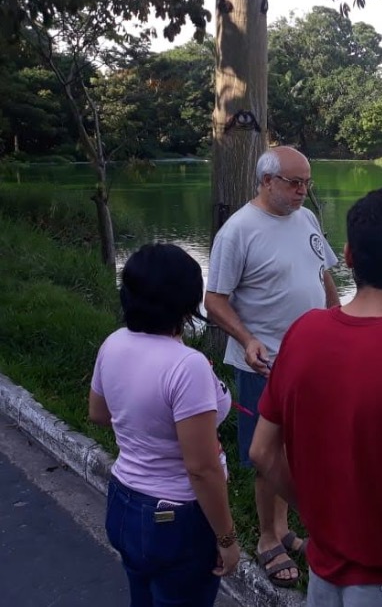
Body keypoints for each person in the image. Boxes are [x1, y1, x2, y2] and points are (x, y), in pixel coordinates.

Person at [249, 187, 382, 607]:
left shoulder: (302, 333)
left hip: (324, 574)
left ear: (347, 255)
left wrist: (319, 516)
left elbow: (262, 451)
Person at [204, 145, 340, 587]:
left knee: (298, 449)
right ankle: (266, 538)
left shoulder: (306, 219)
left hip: (312, 357)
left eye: (307, 183)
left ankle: (284, 528)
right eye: (294, 183)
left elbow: (323, 273)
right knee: (268, 455)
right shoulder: (238, 231)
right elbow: (214, 300)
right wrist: (246, 339)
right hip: (265, 364)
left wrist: (339, 318)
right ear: (266, 181)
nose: (303, 191)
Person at [88, 243, 239, 607]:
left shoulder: (114, 343)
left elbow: (99, 413)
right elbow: (201, 470)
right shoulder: (186, 366)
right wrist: (227, 539)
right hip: (177, 520)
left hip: (124, 501)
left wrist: (145, 433)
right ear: (186, 301)